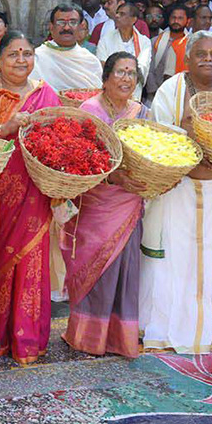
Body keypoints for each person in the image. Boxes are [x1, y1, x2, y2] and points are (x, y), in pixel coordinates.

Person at [140, 32, 212, 355]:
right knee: (169, 260)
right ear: (188, 58)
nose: (208, 59)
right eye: (201, 53)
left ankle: (196, 334)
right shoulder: (172, 90)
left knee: (207, 263)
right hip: (177, 188)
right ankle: (160, 332)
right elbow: (157, 137)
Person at [0, 30, 60, 362]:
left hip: (34, 191)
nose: (21, 60)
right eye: (13, 54)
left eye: (28, 53)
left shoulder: (46, 94)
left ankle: (27, 340)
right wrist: (6, 128)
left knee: (32, 260)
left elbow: (61, 139)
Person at [64, 52, 147, 358]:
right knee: (95, 268)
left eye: (131, 73)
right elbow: (81, 159)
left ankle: (118, 339)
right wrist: (115, 180)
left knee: (125, 271)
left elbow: (152, 151)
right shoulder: (90, 110)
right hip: (96, 203)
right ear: (106, 77)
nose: (126, 78)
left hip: (128, 203)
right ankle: (88, 337)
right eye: (120, 72)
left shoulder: (142, 112)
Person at [34, 4, 103, 91]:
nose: (66, 27)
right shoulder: (37, 57)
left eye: (73, 22)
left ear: (80, 27)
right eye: (61, 22)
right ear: (51, 27)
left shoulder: (90, 61)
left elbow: (97, 94)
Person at [96, 1, 150, 99]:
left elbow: (142, 68)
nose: (117, 16)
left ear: (133, 19)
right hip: (110, 94)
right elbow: (102, 67)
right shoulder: (105, 40)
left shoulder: (144, 42)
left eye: (122, 14)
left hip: (134, 95)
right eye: (117, 13)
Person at [147, 4, 191, 95]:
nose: (176, 21)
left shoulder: (192, 43)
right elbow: (149, 69)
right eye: (173, 17)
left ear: (188, 21)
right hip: (156, 94)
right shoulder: (155, 41)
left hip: (184, 94)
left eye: (180, 18)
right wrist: (156, 92)